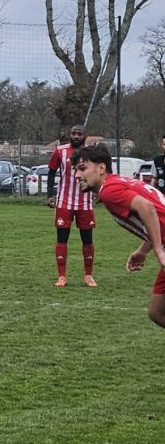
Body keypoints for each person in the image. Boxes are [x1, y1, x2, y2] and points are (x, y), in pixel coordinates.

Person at [73, 143, 165, 329]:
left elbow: (146, 208)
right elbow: (155, 214)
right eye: (76, 170)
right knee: (157, 312)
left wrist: (158, 250)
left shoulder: (109, 191)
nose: (77, 175)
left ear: (101, 168)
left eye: (83, 168)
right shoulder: (118, 182)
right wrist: (143, 251)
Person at [47, 124, 97, 287]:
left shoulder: (91, 152)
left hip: (85, 201)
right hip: (64, 202)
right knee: (62, 238)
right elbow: (51, 172)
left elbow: (99, 173)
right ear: (70, 135)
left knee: (87, 240)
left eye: (79, 134)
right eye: (73, 133)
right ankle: (62, 276)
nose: (76, 136)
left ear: (85, 136)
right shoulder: (59, 151)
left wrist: (98, 190)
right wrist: (50, 195)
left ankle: (88, 275)